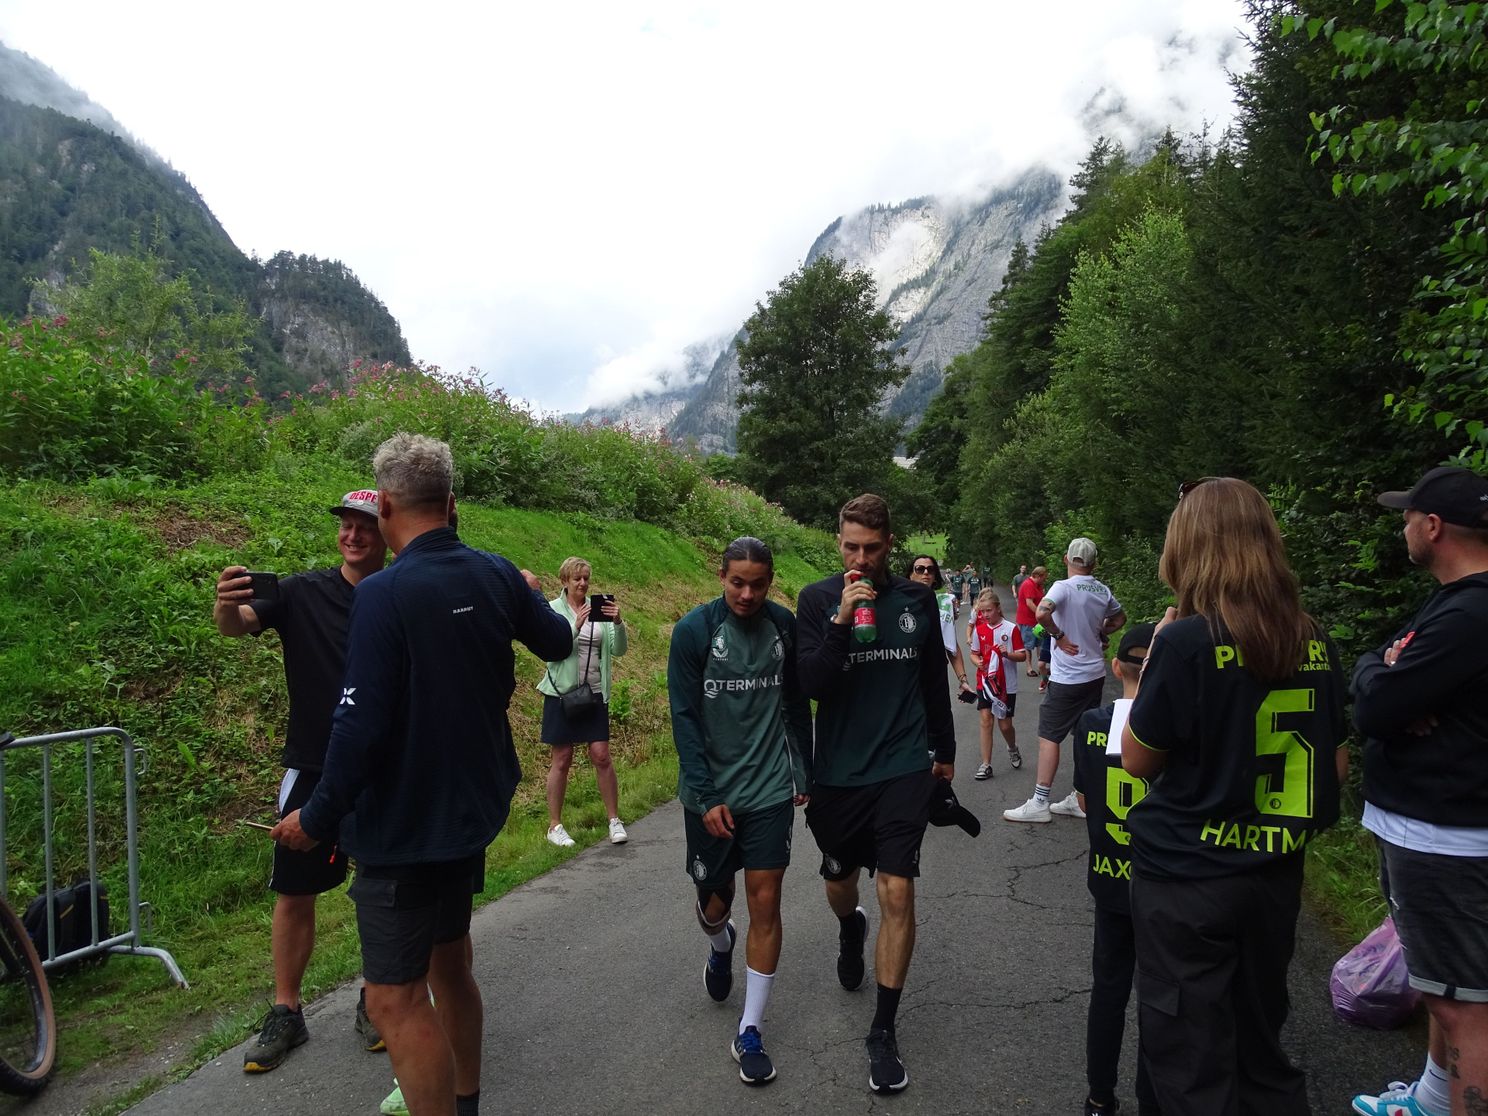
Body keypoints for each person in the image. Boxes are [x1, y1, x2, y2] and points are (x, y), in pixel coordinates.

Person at [273, 433, 574, 1116]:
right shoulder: (495, 572)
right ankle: (463, 1101)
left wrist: (316, 817)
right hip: (470, 814)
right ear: (451, 502)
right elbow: (558, 643)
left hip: (403, 829)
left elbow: (357, 728)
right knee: (451, 966)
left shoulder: (384, 593)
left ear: (383, 506)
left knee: (392, 999)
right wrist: (528, 588)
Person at [1120, 477, 1347, 1114]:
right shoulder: (1313, 639)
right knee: (1259, 1044)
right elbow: (1337, 765)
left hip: (1187, 880)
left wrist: (1157, 659)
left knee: (1191, 1057)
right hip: (1272, 877)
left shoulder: (1187, 643)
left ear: (1187, 549)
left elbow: (1137, 760)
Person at [214, 489, 389, 1073]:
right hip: (312, 764)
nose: (353, 536)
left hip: (385, 766)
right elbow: (237, 626)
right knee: (294, 892)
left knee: (381, 887)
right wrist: (224, 604)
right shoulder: (302, 590)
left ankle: (377, 997)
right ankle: (286, 1011)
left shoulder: (399, 596)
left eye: (365, 526)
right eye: (346, 525)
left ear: (385, 530)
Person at [796, 493, 958, 1094]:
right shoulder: (815, 601)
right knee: (840, 881)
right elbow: (810, 684)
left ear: (890, 543)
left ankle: (883, 1030)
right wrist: (842, 620)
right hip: (837, 773)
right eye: (849, 547)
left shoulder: (916, 600)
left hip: (901, 768)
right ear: (838, 543)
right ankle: (848, 928)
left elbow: (932, 687)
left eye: (871, 547)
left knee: (896, 885)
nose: (860, 559)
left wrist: (944, 754)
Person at [1350, 466, 1488, 1116]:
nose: (1402, 525)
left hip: (1448, 839)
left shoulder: (1468, 615)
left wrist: (1384, 676)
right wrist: (1383, 668)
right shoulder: (1454, 601)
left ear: (1433, 527)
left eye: (1408, 515)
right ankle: (1433, 1100)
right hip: (1437, 830)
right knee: (1446, 989)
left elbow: (1376, 703)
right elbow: (1380, 667)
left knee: (1464, 1009)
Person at [668, 536, 813, 1086]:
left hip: (770, 789)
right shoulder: (693, 632)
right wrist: (705, 796)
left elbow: (797, 703)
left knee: (767, 899)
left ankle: (750, 1028)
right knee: (713, 902)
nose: (748, 594)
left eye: (758, 583)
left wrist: (803, 768)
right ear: (721, 575)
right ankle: (720, 943)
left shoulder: (785, 626)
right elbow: (684, 716)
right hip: (710, 795)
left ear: (771, 580)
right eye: (737, 582)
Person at [1070, 623, 1161, 1116]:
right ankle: (1153, 1099)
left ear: (1116, 667)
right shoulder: (1176, 725)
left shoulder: (1090, 723)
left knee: (1108, 989)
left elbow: (1085, 798)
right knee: (1158, 995)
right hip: (1162, 880)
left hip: (1109, 875)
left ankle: (1099, 1096)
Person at [1005, 541, 1125, 824]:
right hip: (1094, 675)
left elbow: (1042, 613)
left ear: (1065, 559)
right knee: (1083, 734)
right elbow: (1120, 618)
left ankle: (1040, 801)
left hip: (1068, 677)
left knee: (1049, 736)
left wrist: (1058, 636)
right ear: (1094, 563)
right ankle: (1079, 798)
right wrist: (1099, 632)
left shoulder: (1063, 586)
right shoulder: (1101, 589)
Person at [536, 557, 630, 848]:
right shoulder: (551, 610)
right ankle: (555, 826)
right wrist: (574, 628)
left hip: (594, 693)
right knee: (562, 758)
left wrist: (618, 622)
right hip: (561, 695)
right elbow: (550, 651)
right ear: (564, 580)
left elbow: (618, 650)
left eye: (586, 578)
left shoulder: (599, 608)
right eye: (577, 578)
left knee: (601, 755)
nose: (583, 584)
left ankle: (614, 820)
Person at [967, 589, 1025, 779]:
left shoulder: (1011, 628)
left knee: (1005, 725)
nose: (985, 615)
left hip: (1006, 685)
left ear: (998, 609)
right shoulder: (979, 629)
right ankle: (986, 764)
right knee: (985, 720)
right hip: (984, 682)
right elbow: (974, 653)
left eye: (989, 611)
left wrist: (1007, 653)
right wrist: (978, 662)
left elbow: (1022, 655)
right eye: (982, 612)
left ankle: (1012, 748)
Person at [907, 555, 974, 705]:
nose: (925, 573)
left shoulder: (943, 603)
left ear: (935, 577)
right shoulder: (899, 603)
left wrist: (962, 679)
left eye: (930, 570)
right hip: (908, 679)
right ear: (910, 575)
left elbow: (951, 644)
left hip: (936, 678)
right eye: (919, 569)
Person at [1015, 565, 1047, 682]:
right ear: (1038, 576)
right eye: (1044, 577)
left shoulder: (1038, 586)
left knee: (1040, 642)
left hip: (1037, 620)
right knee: (1028, 644)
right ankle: (1029, 668)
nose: (1045, 580)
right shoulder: (1028, 584)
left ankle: (1040, 665)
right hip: (1027, 620)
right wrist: (1040, 614)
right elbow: (1029, 603)